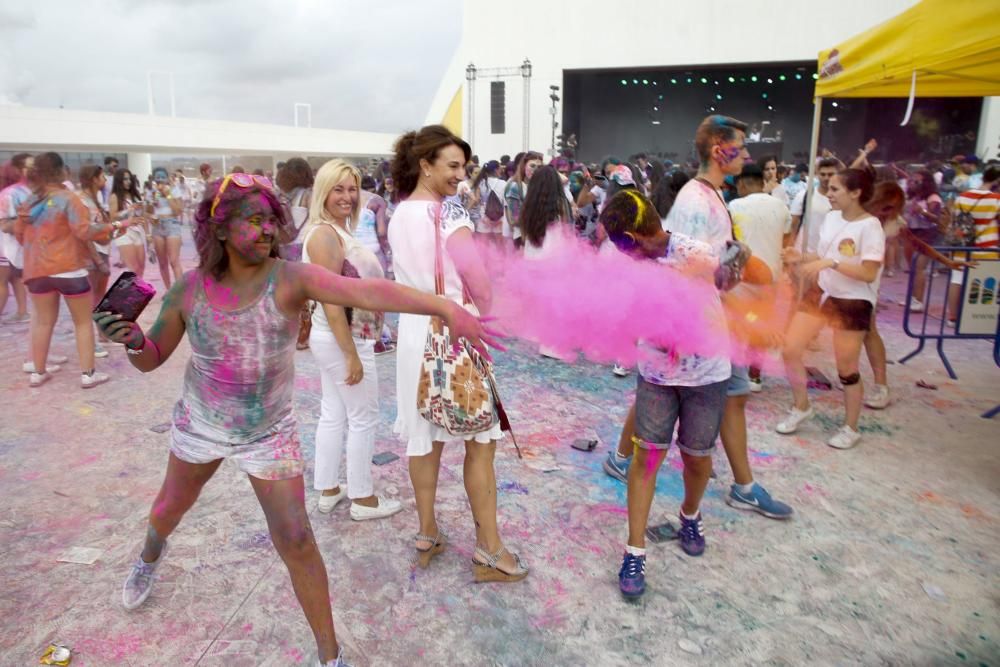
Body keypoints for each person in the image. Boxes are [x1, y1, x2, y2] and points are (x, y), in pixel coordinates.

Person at [93, 171, 496, 667]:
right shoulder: (189, 290)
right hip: (201, 426)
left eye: (271, 221)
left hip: (269, 435)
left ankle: (331, 656)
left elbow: (367, 292)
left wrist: (442, 306)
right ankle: (148, 557)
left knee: (298, 540)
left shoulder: (290, 279)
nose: (267, 231)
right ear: (219, 229)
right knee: (167, 511)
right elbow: (152, 357)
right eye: (253, 221)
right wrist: (132, 340)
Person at [388, 124, 528, 582]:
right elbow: (479, 280)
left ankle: (427, 532)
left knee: (423, 439)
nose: (460, 175)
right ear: (424, 165)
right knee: (481, 444)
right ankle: (489, 550)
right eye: (452, 166)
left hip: (414, 333)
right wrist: (494, 314)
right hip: (454, 332)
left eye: (463, 166)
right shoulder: (449, 211)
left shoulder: (399, 213)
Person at [303, 160, 402, 521]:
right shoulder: (325, 235)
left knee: (335, 412)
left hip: (339, 337)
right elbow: (331, 299)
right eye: (338, 189)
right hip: (342, 338)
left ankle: (328, 488)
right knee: (363, 417)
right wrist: (351, 355)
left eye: (352, 188)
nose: (347, 196)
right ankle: (363, 498)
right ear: (323, 192)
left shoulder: (334, 230)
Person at [777, 167, 884, 449]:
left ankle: (851, 427)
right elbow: (823, 254)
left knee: (846, 368)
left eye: (836, 189)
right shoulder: (831, 218)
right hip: (822, 292)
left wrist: (831, 264)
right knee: (790, 349)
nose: (830, 192)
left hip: (852, 300)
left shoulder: (871, 226)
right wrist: (799, 257)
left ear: (856, 193)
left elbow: (869, 273)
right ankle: (801, 406)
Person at [15, 152, 129, 388]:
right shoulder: (69, 199)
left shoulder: (28, 203)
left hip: (37, 269)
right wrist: (116, 225)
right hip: (68, 268)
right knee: (83, 321)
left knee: (43, 322)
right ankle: (88, 374)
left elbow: (19, 234)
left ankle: (38, 372)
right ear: (61, 171)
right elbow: (84, 231)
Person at [728, 162, 792, 391]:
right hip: (769, 279)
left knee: (737, 324)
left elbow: (730, 242)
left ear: (742, 183)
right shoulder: (781, 207)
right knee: (760, 322)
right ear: (763, 182)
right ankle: (755, 376)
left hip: (741, 280)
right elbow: (786, 241)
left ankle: (736, 375)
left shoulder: (734, 206)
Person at [946, 164, 999, 323]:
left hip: (962, 246)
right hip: (986, 248)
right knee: (985, 281)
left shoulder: (963, 197)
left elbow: (955, 219)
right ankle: (978, 318)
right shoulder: (996, 200)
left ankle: (953, 317)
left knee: (957, 280)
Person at [77, 165, 114, 358]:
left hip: (102, 250)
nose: (105, 181)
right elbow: (85, 234)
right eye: (102, 177)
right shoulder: (81, 201)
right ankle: (91, 342)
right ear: (93, 179)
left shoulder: (95, 199)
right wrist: (98, 260)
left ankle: (101, 334)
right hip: (92, 255)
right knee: (90, 299)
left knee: (99, 296)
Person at [901, 169, 943, 312]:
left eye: (917, 181)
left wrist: (922, 211)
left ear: (926, 183)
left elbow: (936, 218)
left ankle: (918, 301)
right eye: (911, 180)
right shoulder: (914, 196)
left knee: (919, 268)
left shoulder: (933, 197)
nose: (912, 183)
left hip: (925, 234)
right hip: (911, 232)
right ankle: (912, 297)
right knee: (912, 267)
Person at [0, 154, 33, 325]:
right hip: (13, 246)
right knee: (11, 279)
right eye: (30, 166)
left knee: (7, 280)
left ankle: (22, 311)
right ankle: (22, 311)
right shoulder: (12, 193)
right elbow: (5, 225)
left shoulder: (38, 191)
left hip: (22, 249)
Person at [790, 158, 841, 254]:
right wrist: (790, 245)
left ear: (837, 175)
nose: (826, 178)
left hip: (828, 254)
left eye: (830, 174)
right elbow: (794, 224)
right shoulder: (804, 196)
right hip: (802, 251)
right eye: (823, 174)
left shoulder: (842, 200)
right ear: (817, 174)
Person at [109, 168, 148, 278]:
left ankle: (137, 293)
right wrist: (129, 209)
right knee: (133, 268)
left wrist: (148, 235)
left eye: (129, 179)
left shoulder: (135, 195)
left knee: (141, 267)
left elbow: (143, 215)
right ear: (119, 180)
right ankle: (132, 294)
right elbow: (112, 217)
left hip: (137, 231)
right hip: (123, 233)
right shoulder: (115, 196)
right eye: (125, 179)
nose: (128, 181)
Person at [149, 168, 184, 289]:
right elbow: (149, 211)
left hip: (172, 224)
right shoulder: (152, 192)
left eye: (162, 177)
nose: (159, 180)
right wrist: (151, 202)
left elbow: (178, 211)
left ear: (167, 177)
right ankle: (168, 290)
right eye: (157, 177)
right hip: (157, 225)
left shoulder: (174, 190)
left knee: (174, 261)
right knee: (162, 262)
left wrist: (168, 194)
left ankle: (180, 291)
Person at [275, 157, 315, 261]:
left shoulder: (281, 194)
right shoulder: (308, 194)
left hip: (282, 246)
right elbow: (316, 220)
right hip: (301, 246)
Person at [504, 151, 542, 249]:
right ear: (524, 166)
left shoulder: (541, 186)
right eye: (532, 166)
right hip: (522, 238)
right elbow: (515, 218)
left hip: (539, 237)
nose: (535, 170)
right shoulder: (515, 187)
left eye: (539, 167)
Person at [469, 160, 506, 245]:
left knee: (483, 248)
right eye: (500, 168)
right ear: (496, 170)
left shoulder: (480, 183)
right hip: (499, 218)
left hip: (484, 218)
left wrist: (483, 217)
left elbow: (478, 201)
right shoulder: (503, 183)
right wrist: (502, 219)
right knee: (500, 247)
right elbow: (505, 203)